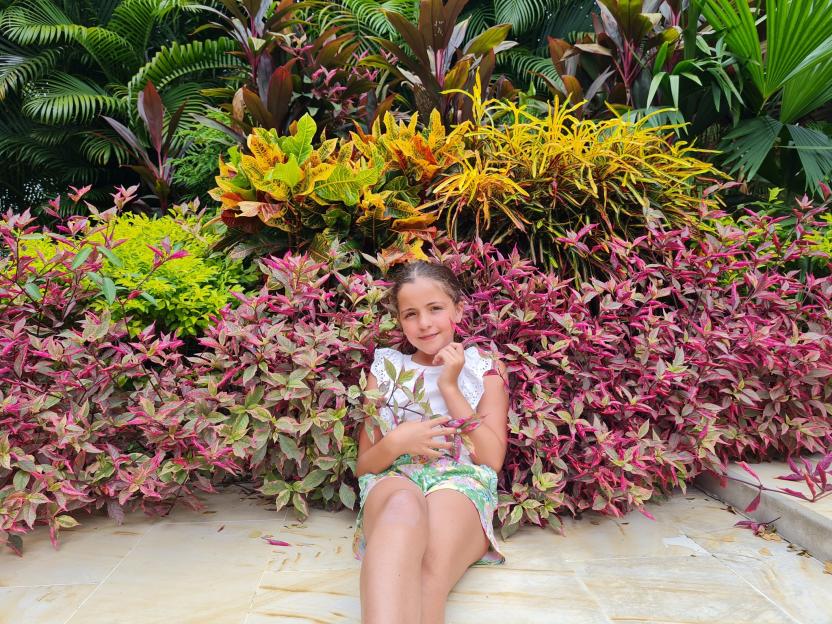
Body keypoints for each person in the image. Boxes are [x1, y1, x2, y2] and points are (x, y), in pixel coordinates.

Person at [353, 260, 509, 624]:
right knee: (401, 506)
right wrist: (398, 442)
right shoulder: (385, 370)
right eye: (410, 314)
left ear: (458, 308)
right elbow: (365, 465)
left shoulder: (484, 368)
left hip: (459, 483)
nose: (424, 323)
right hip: (394, 478)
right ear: (400, 321)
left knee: (426, 575)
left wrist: (450, 387)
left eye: (435, 308)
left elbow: (491, 458)